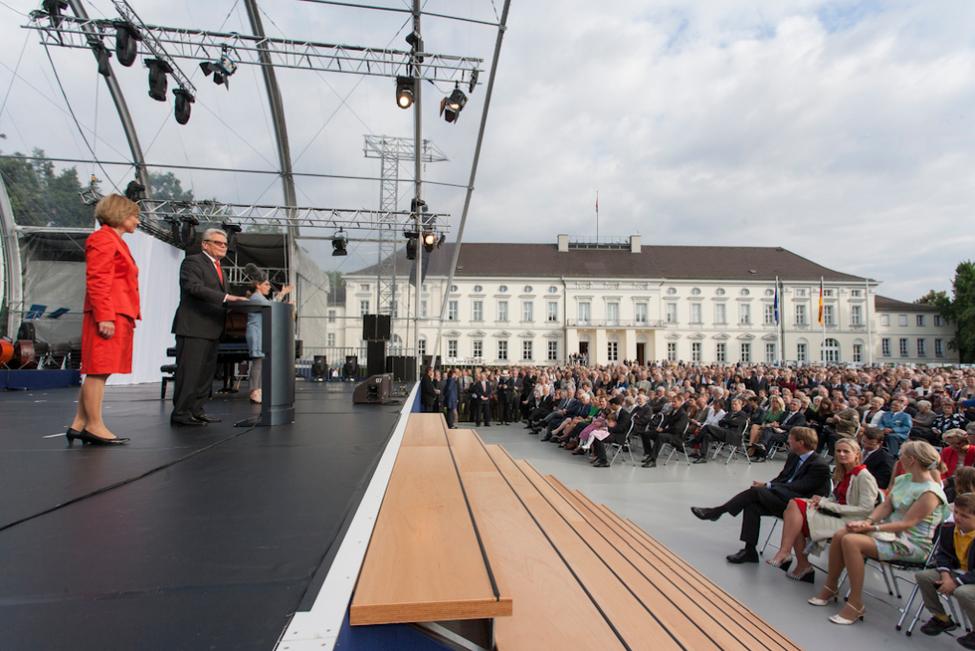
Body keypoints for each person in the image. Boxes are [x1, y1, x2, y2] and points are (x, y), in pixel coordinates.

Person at [808, 440, 948, 625]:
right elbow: (886, 506)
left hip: (910, 544)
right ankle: (831, 586)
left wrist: (871, 528)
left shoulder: (930, 492)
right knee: (842, 533)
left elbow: (908, 523)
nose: (899, 459)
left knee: (851, 541)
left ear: (912, 460)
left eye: (902, 456)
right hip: (888, 534)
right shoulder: (904, 480)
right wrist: (868, 521)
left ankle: (855, 603)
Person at [690, 427, 831, 564]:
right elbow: (782, 478)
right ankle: (749, 551)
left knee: (756, 492)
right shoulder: (794, 456)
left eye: (791, 439)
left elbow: (799, 487)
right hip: (783, 498)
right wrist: (769, 485)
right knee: (752, 505)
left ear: (801, 443)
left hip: (799, 507)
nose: (788, 441)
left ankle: (716, 512)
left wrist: (767, 486)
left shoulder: (819, 465)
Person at [67, 194, 141, 446]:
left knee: (102, 370)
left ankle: (79, 423)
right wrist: (105, 316)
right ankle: (94, 425)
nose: (137, 222)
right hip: (108, 313)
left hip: (118, 312)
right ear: (120, 214)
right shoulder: (102, 239)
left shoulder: (114, 240)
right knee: (98, 370)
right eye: (134, 216)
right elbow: (98, 280)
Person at [766, 439, 880, 582]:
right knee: (795, 505)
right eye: (838, 451)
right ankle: (792, 557)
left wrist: (826, 505)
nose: (841, 454)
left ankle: (792, 557)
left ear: (856, 454)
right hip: (836, 513)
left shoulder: (864, 476)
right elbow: (837, 498)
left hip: (851, 521)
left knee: (796, 513)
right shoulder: (845, 472)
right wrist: (822, 501)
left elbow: (865, 510)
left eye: (846, 451)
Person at [170, 228, 247, 426]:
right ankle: (181, 412)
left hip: (213, 328)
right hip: (194, 327)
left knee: (205, 375)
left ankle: (197, 409)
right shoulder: (193, 262)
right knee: (190, 373)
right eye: (218, 243)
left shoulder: (219, 267)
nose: (223, 247)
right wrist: (227, 297)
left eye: (225, 244)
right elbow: (194, 288)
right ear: (205, 244)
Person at [915, 493, 975, 647]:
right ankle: (941, 618)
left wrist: (956, 582)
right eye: (956, 512)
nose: (957, 518)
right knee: (924, 576)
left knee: (963, 593)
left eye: (964, 516)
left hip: (971, 578)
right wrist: (946, 576)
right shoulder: (949, 529)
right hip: (956, 572)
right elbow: (943, 554)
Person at [242, 264, 292, 405]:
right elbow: (271, 306)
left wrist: (282, 296)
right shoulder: (257, 298)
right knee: (257, 364)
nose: (269, 287)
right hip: (257, 333)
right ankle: (254, 390)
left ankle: (258, 389)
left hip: (260, 333)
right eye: (266, 284)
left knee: (260, 363)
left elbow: (271, 305)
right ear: (258, 286)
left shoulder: (259, 298)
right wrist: (282, 294)